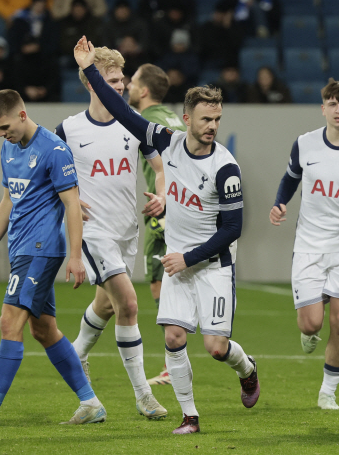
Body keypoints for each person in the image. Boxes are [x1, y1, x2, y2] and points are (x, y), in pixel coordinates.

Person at [74, 35, 260, 435]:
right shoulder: (166, 141)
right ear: (187, 117)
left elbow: (233, 229)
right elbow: (122, 112)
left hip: (211, 265)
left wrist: (188, 258)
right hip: (177, 260)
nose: (212, 127)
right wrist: (90, 68)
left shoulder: (226, 169)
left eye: (217, 120)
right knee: (174, 337)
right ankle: (190, 417)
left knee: (215, 348)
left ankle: (247, 368)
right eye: (206, 119)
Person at [0, 89, 106, 425]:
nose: (1, 133)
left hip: (41, 250)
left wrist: (76, 256)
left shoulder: (54, 150)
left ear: (22, 115)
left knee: (9, 322)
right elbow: (9, 199)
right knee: (45, 330)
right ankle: (91, 403)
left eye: (5, 126)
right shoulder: (8, 148)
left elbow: (72, 204)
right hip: (20, 249)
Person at [55, 47, 168, 420]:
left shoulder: (133, 122)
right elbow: (49, 179)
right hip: (94, 232)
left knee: (107, 304)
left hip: (126, 230)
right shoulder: (69, 129)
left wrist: (163, 195)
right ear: (91, 82)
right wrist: (67, 204)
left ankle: (76, 354)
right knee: (129, 304)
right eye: (112, 80)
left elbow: (159, 164)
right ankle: (143, 396)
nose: (120, 86)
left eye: (122, 80)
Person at [269, 79, 339, 410]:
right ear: (323, 108)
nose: (338, 109)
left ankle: (328, 391)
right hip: (309, 245)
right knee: (312, 323)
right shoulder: (304, 144)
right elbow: (290, 178)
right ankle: (308, 330)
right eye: (332, 103)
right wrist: (280, 203)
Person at [126, 63, 188, 385]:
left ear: (144, 90)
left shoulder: (145, 121)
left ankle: (173, 363)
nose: (128, 85)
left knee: (160, 286)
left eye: (133, 81)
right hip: (184, 211)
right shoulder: (174, 118)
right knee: (173, 284)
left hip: (163, 213)